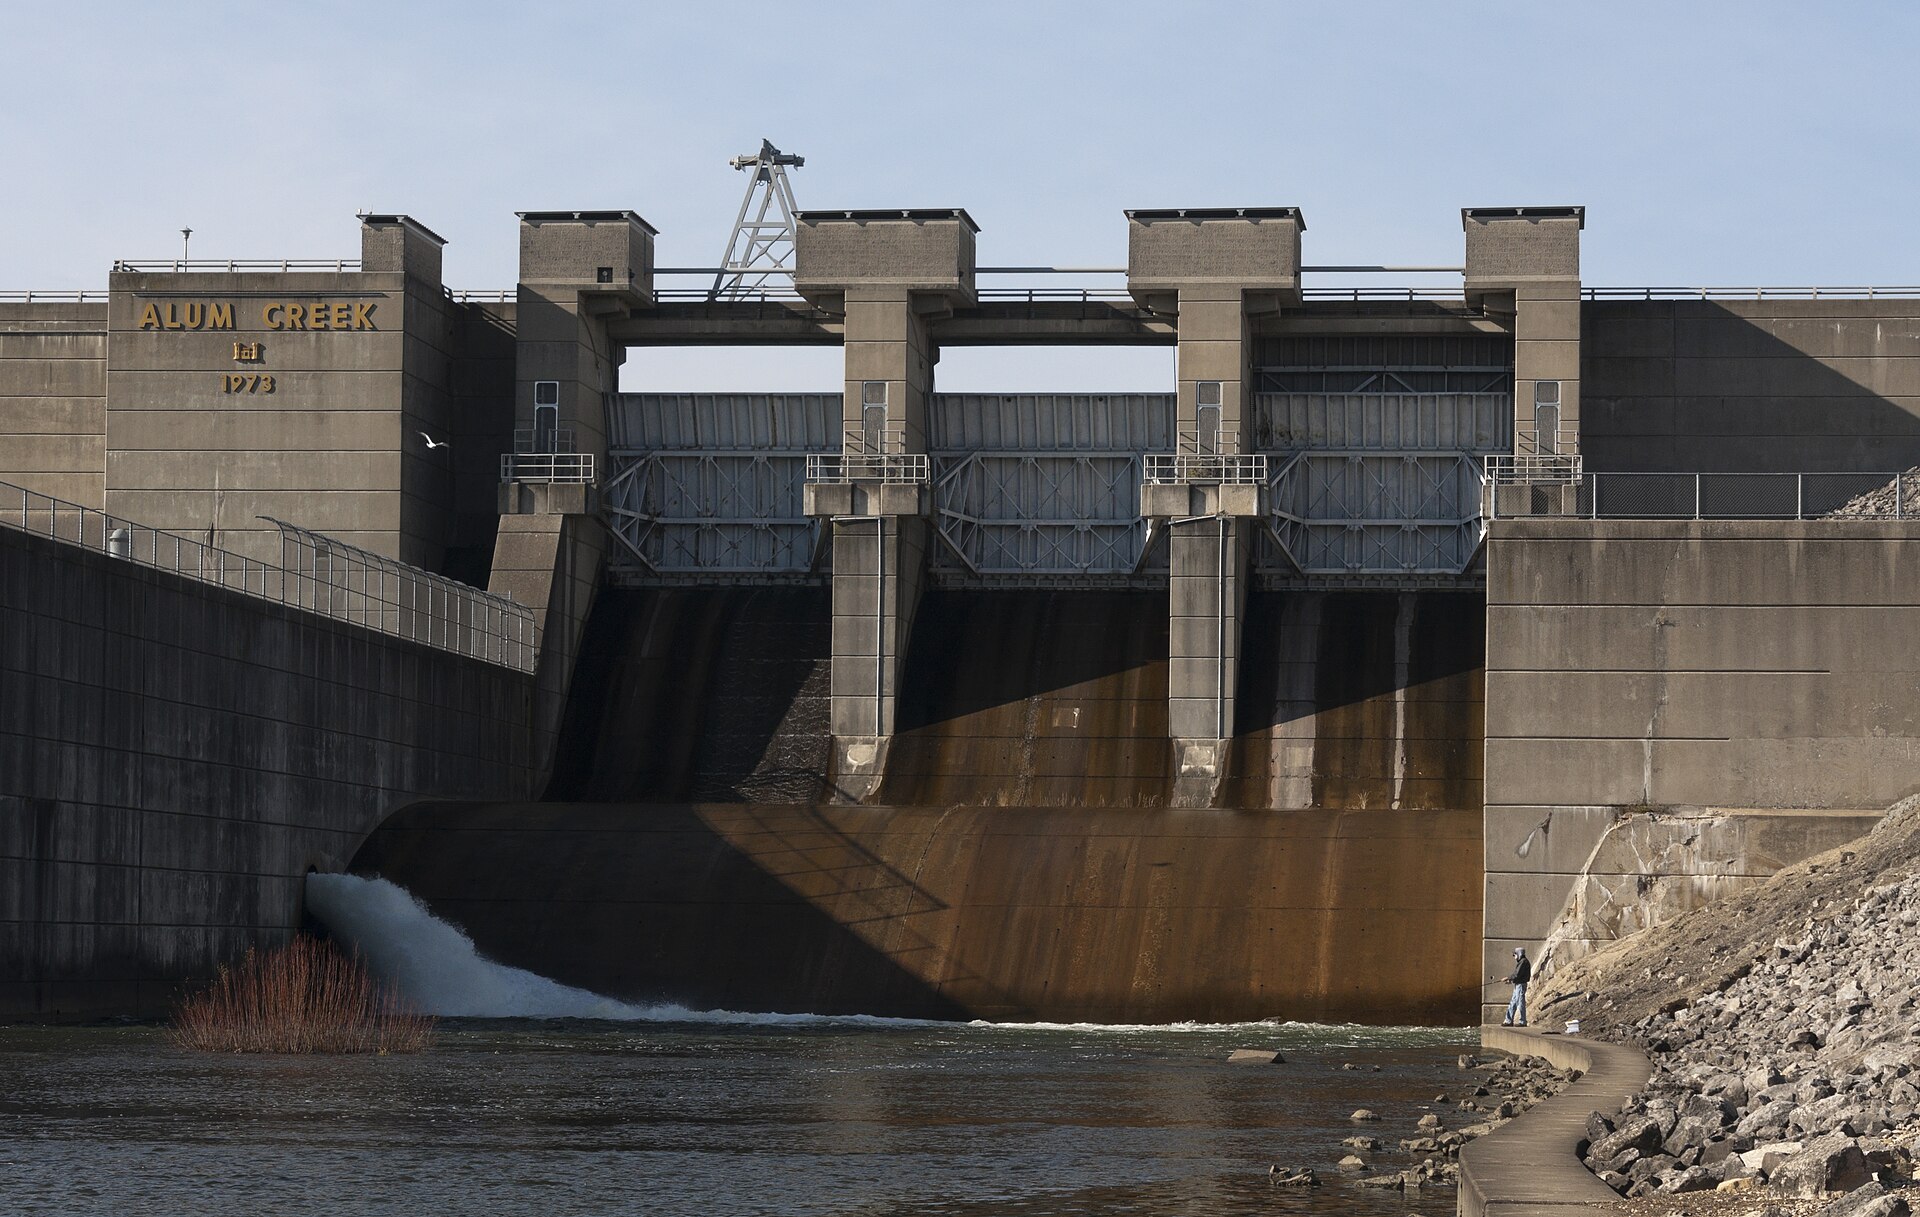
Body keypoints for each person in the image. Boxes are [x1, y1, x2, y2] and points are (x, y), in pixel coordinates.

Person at [1502, 947, 1531, 1027]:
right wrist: (1511, 980)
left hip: (1521, 985)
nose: (1514, 957)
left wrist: (1508, 978)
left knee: (1520, 1003)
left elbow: (1517, 974)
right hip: (1518, 985)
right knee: (1513, 1002)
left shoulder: (1523, 962)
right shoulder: (1522, 961)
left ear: (1519, 954)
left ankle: (1522, 1022)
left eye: (1514, 954)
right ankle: (1508, 1020)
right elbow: (1517, 975)